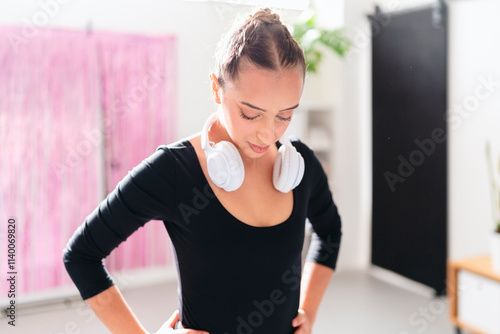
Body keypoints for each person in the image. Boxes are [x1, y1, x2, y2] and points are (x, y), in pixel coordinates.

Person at [63, 7, 342, 334]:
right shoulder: (175, 170)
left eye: (284, 116)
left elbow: (330, 232)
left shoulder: (301, 166)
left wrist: (308, 311)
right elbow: (81, 255)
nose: (268, 134)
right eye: (251, 114)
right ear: (216, 89)